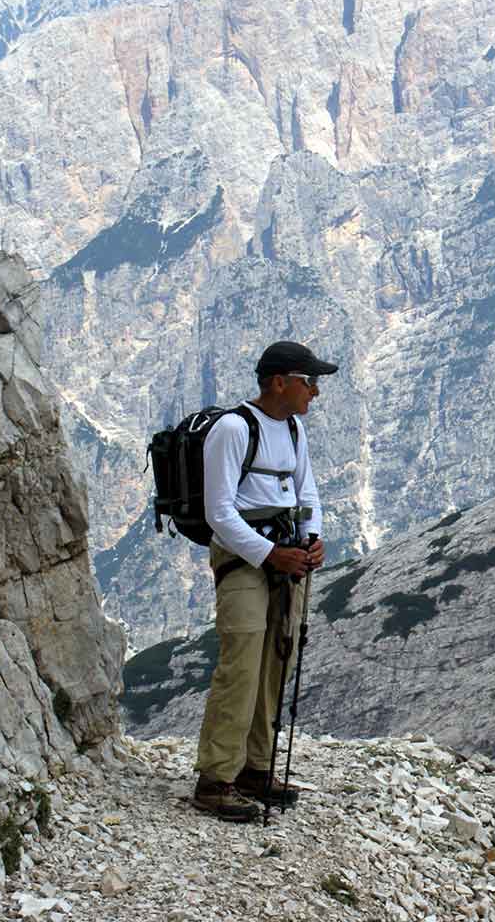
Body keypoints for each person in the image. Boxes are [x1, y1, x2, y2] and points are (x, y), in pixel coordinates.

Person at [190, 340, 334, 822]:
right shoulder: (233, 429)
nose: (314, 392)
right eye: (308, 381)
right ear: (280, 383)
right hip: (246, 557)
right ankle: (215, 778)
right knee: (244, 659)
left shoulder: (294, 430)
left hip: (286, 554)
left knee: (277, 656)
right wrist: (270, 553)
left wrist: (312, 539)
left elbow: (305, 487)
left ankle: (255, 767)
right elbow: (219, 512)